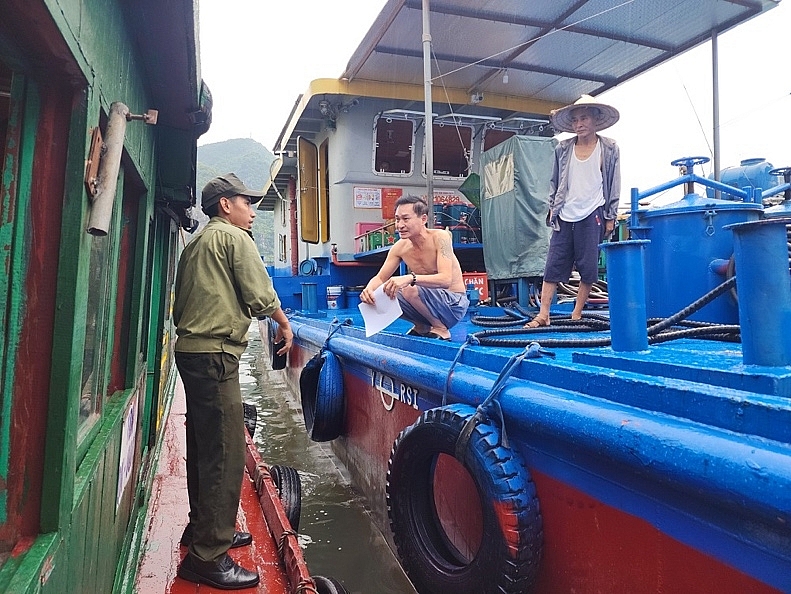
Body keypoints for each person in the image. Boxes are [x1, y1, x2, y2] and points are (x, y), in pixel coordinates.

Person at [174, 173, 293, 589]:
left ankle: (202, 529)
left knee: (202, 444)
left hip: (191, 351)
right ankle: (208, 555)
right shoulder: (234, 239)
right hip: (215, 356)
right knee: (225, 452)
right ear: (226, 204)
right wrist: (283, 323)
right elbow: (260, 295)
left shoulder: (197, 245)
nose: (252, 210)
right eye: (247, 202)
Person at [525, 95, 621, 328]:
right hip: (565, 213)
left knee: (588, 266)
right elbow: (554, 181)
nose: (579, 124)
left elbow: (614, 183)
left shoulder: (609, 148)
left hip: (594, 212)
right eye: (576, 119)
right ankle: (544, 314)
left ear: (595, 119)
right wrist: (552, 208)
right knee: (553, 264)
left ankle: (576, 313)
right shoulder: (563, 148)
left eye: (584, 118)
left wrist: (611, 216)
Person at [360, 194, 469, 340]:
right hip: (427, 302)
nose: (400, 225)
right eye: (397, 219)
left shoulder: (441, 237)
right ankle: (422, 326)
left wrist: (410, 278)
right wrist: (369, 290)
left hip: (453, 304)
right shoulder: (399, 247)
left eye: (406, 219)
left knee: (408, 287)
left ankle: (440, 328)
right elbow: (380, 278)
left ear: (423, 219)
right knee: (383, 292)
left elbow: (446, 280)